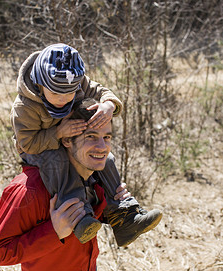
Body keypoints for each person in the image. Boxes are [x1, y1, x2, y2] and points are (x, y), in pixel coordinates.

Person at [0, 98, 161, 271]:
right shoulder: (29, 190)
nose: (102, 147)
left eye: (106, 137)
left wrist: (114, 208)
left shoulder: (96, 175)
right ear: (67, 139)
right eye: (91, 136)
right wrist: (54, 232)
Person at [10, 43, 162, 246]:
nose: (63, 100)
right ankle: (80, 216)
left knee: (104, 158)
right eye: (56, 94)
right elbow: (28, 143)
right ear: (40, 84)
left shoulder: (75, 81)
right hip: (38, 147)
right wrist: (57, 132)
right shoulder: (25, 106)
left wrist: (109, 104)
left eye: (69, 94)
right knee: (57, 160)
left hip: (70, 137)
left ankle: (124, 215)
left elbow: (101, 91)